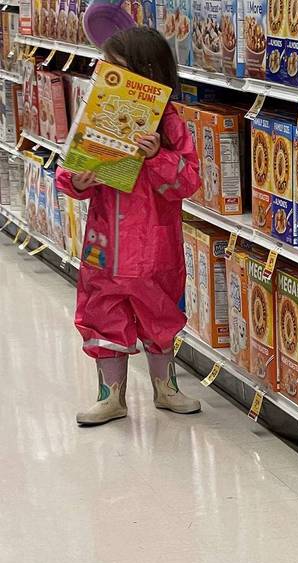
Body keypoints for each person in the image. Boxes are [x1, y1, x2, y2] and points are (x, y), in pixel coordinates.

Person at [55, 26, 202, 426]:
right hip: (105, 243)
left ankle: (165, 387)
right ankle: (110, 395)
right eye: (104, 68)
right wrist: (77, 179)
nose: (106, 77)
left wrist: (157, 157)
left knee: (160, 311)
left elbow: (189, 180)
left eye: (116, 69)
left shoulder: (170, 124)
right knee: (102, 309)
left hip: (155, 245)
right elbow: (67, 168)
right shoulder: (96, 113)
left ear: (147, 75)